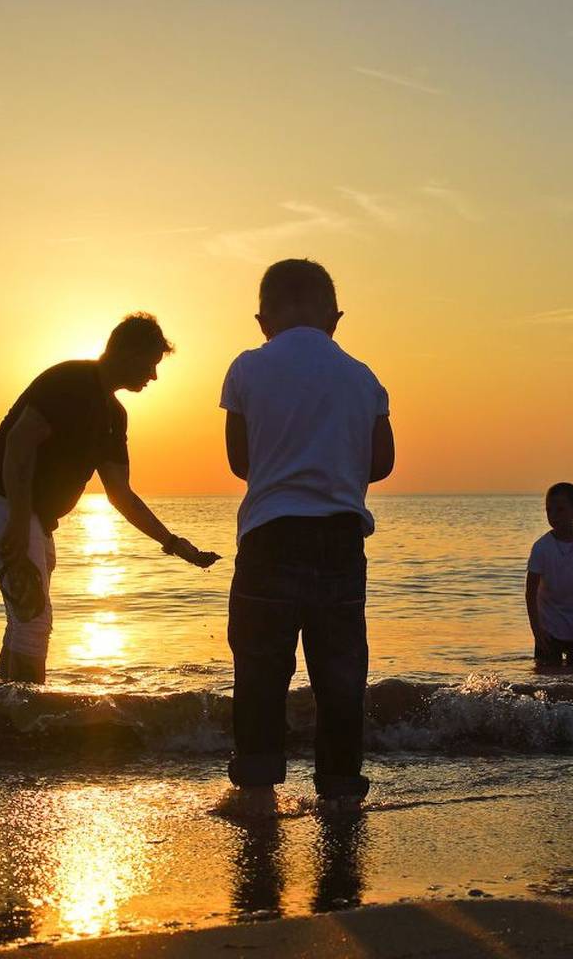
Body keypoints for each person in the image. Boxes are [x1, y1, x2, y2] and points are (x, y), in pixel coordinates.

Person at [218, 258, 394, 817]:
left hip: (270, 535)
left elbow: (240, 461)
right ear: (334, 317)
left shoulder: (246, 369)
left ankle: (257, 789)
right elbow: (383, 462)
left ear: (262, 319)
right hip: (341, 539)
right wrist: (334, 467)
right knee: (340, 673)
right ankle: (340, 789)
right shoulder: (364, 377)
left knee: (261, 668)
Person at [0, 312, 219, 683]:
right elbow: (19, 445)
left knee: (23, 620)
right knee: (34, 620)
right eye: (150, 364)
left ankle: (3, 714)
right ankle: (24, 722)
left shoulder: (114, 416)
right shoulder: (70, 381)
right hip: (1, 501)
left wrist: (174, 544)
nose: (153, 376)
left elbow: (121, 495)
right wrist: (19, 522)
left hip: (32, 516)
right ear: (127, 352)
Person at [525, 482, 573, 668]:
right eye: (549, 510)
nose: (554, 516)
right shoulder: (541, 547)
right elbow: (530, 592)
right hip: (548, 630)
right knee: (546, 684)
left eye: (560, 510)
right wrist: (536, 630)